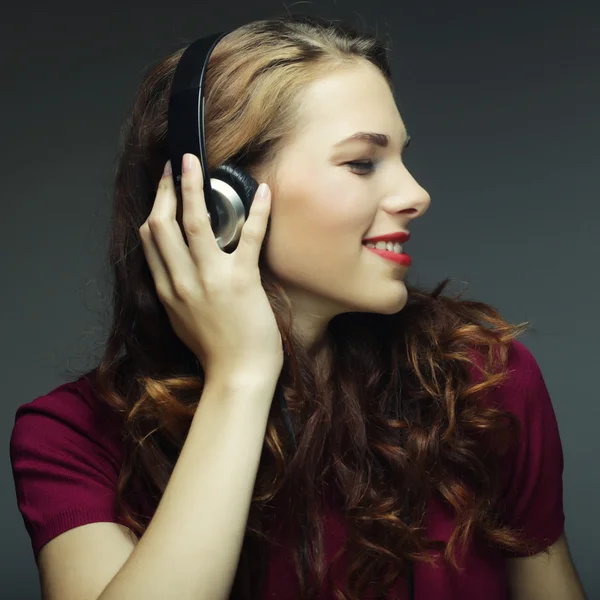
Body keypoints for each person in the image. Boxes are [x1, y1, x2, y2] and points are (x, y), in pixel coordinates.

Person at [9, 14, 586, 600]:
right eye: (362, 162)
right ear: (217, 201)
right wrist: (241, 376)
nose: (417, 195)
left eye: (401, 159)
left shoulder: (485, 385)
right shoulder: (67, 437)